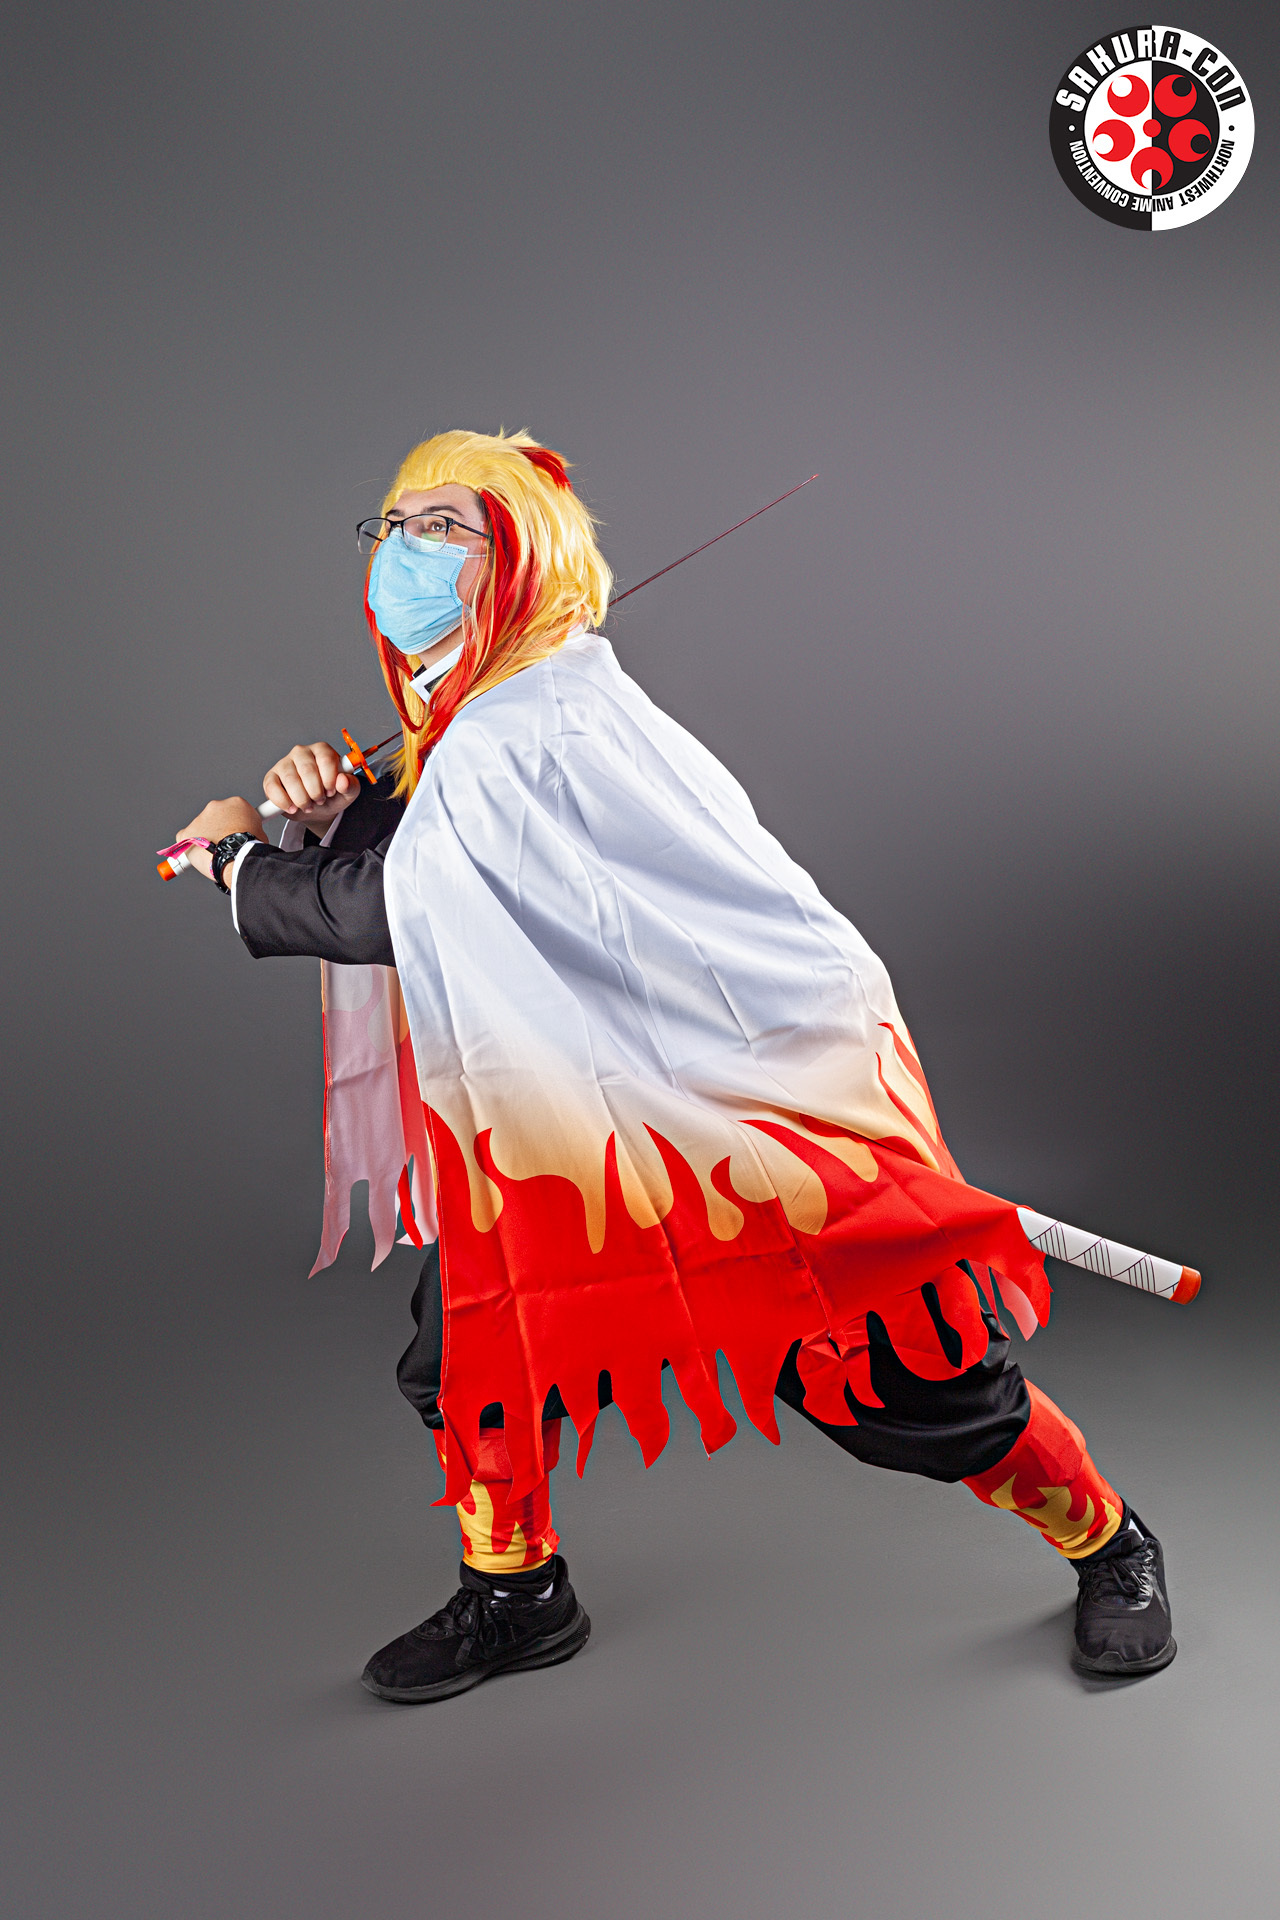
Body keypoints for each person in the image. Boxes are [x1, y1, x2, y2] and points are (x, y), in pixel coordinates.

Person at [174, 429, 1176, 1702]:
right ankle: (518, 1596)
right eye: (394, 524)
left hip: (736, 1099)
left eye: (444, 526)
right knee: (480, 1353)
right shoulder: (496, 712)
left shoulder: (523, 720)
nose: (402, 550)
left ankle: (1110, 1544)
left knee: (895, 1378)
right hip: (579, 1104)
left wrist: (234, 858)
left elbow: (391, 910)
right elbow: (468, 879)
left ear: (521, 559)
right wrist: (345, 816)